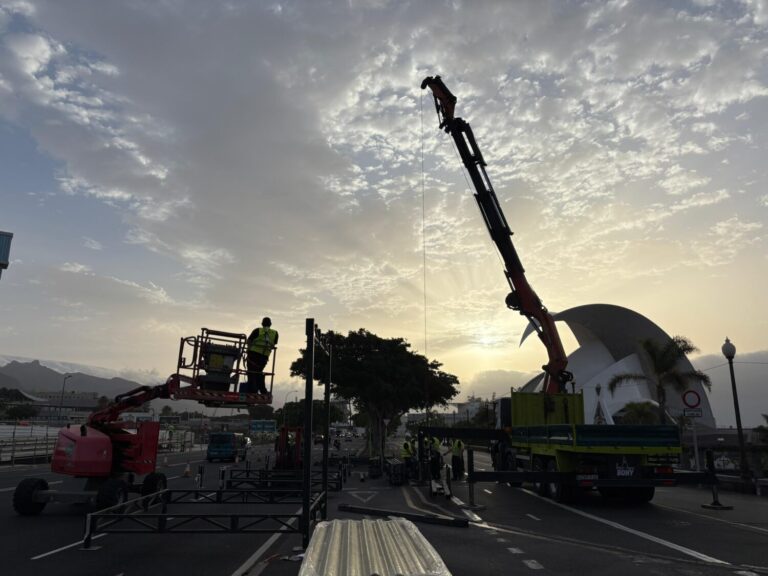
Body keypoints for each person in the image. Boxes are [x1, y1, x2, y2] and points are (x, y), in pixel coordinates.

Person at [246, 317, 278, 394]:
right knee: (258, 372)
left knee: (251, 372)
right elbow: (274, 344)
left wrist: (248, 350)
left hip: (253, 355)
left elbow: (249, 341)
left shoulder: (257, 330)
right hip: (264, 357)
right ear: (270, 324)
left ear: (262, 324)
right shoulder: (275, 333)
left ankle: (253, 390)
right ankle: (262, 390)